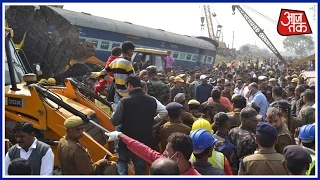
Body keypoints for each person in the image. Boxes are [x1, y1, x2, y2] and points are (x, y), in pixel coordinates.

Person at [111, 74, 167, 175]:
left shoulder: (124, 101)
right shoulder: (152, 100)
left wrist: (114, 113)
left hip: (126, 141)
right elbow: (163, 111)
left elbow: (115, 121)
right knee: (140, 168)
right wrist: (153, 121)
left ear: (129, 85)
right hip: (143, 143)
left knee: (122, 161)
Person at [106, 131, 201, 175]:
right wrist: (121, 136)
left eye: (167, 152)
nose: (163, 154)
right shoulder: (164, 163)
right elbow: (146, 151)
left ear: (177, 155)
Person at [228, 107, 259, 175]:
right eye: (253, 120)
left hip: (234, 170)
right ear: (244, 120)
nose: (256, 122)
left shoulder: (232, 131)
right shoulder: (250, 138)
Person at [105, 41, 135, 107]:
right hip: (127, 96)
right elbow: (134, 79)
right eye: (132, 51)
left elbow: (102, 74)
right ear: (129, 51)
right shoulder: (127, 63)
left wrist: (114, 80)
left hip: (117, 94)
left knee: (117, 113)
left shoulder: (114, 61)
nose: (132, 53)